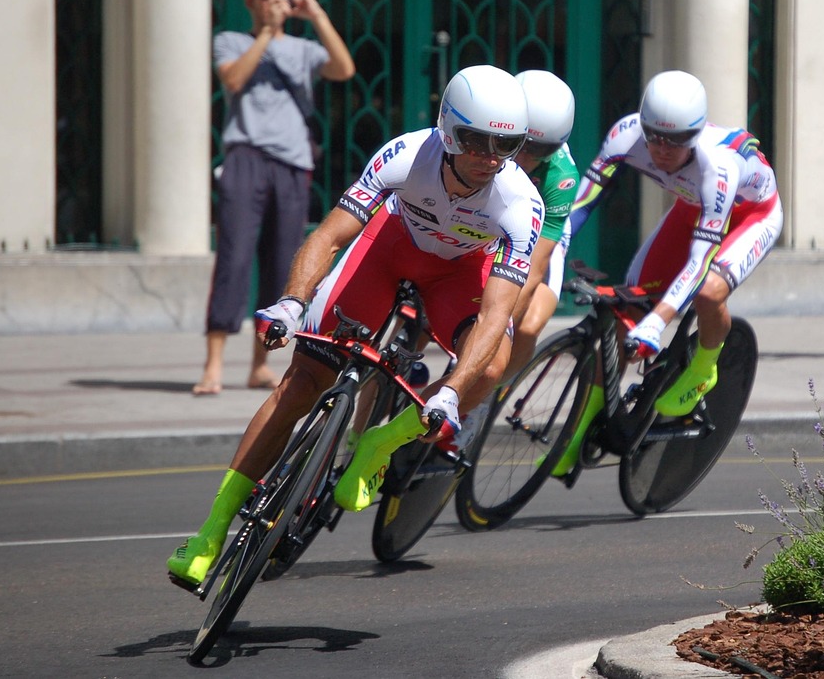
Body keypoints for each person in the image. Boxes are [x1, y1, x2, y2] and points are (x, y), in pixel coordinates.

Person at [167, 64, 543, 588]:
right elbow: (328, 237)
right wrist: (292, 303)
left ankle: (380, 442)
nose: (488, 158)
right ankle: (210, 533)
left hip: (457, 274)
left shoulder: (521, 203)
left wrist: (451, 392)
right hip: (388, 251)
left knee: (492, 363)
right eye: (474, 140)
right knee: (300, 385)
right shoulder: (406, 155)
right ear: (447, 131)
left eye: (505, 145)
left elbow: (497, 312)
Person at [551, 70, 783, 476]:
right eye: (654, 134)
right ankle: (579, 432)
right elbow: (582, 202)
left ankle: (704, 367)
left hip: (752, 216)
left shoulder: (719, 168)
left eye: (675, 140)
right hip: (693, 207)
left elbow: (699, 262)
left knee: (709, 292)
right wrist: (554, 248)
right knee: (625, 314)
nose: (660, 148)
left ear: (694, 135)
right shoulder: (626, 134)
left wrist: (659, 322)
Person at [194, 0, 355, 395]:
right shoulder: (232, 41)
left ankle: (259, 365)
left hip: (292, 165)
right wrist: (265, 33)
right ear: (250, 1)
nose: (272, 2)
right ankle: (213, 366)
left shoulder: (303, 50)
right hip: (246, 158)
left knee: (283, 260)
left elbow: (344, 68)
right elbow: (232, 78)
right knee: (234, 258)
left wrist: (315, 13)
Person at [504, 70, 580, 377]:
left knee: (528, 324)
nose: (526, 157)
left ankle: (485, 399)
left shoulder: (561, 176)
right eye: (520, 143)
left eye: (541, 150)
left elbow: (535, 268)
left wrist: (497, 330)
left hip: (540, 229)